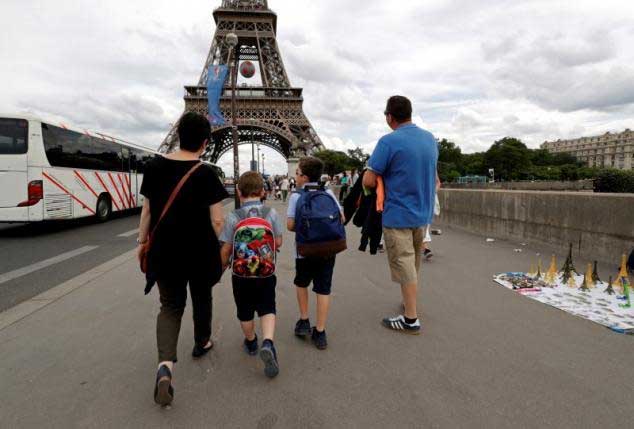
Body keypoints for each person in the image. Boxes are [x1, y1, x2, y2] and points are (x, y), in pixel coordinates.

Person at [137, 112, 228, 406]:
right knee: (202, 297)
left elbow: (147, 211)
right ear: (205, 142)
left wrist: (142, 242)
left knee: (170, 306)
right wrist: (218, 246)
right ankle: (202, 341)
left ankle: (165, 366)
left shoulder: (154, 167)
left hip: (165, 251)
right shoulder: (206, 173)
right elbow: (217, 221)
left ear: (177, 135)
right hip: (200, 251)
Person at [363, 96, 438, 335]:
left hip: (398, 214)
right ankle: (409, 303)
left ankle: (410, 319)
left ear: (389, 117)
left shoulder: (388, 141)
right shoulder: (430, 139)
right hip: (423, 213)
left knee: (404, 263)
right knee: (413, 263)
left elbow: (368, 180)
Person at [219, 171, 284, 378]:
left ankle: (252, 342)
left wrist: (222, 266)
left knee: (244, 310)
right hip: (266, 272)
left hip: (241, 274)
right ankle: (268, 342)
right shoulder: (270, 213)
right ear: (263, 191)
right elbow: (278, 242)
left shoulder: (233, 216)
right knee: (267, 306)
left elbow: (226, 248)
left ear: (239, 192)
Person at [287, 157, 343, 350]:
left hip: (304, 251)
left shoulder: (296, 196)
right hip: (327, 250)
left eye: (297, 173)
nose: (295, 176)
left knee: (301, 283)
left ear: (304, 177)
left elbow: (290, 225)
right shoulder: (328, 192)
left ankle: (304, 320)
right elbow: (341, 217)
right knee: (323, 289)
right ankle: (320, 331)